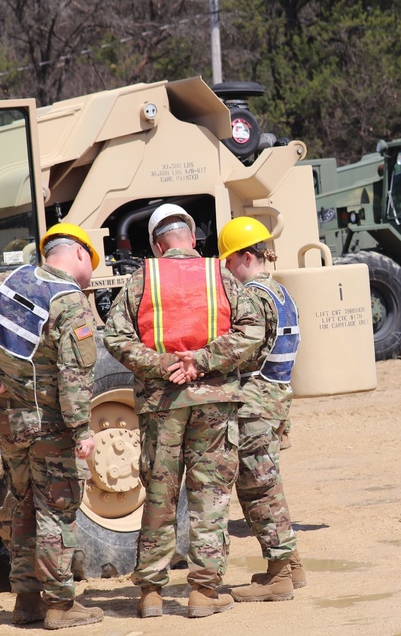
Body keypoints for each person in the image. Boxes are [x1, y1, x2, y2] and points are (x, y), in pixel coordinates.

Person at [103, 203, 263, 618]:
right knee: (209, 496)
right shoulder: (221, 274)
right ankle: (203, 592)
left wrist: (162, 365)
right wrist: (202, 361)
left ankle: (151, 594)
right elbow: (253, 329)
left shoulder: (143, 277)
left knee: (160, 494)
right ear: (192, 239)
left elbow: (115, 336)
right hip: (213, 401)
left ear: (157, 246)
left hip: (162, 404)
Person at [0, 223, 103, 629]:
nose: (89, 271)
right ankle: (61, 604)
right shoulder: (69, 300)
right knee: (57, 509)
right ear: (76, 253)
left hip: (10, 422)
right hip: (51, 427)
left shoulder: (8, 283)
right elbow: (75, 375)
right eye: (89, 261)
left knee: (21, 506)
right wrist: (82, 431)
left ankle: (26, 599)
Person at [216, 216, 307, 601]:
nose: (226, 269)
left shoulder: (251, 297)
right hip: (276, 398)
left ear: (245, 256)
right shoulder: (282, 293)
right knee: (270, 484)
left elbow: (243, 350)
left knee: (256, 490)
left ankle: (279, 576)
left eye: (229, 261)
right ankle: (292, 564)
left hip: (255, 405)